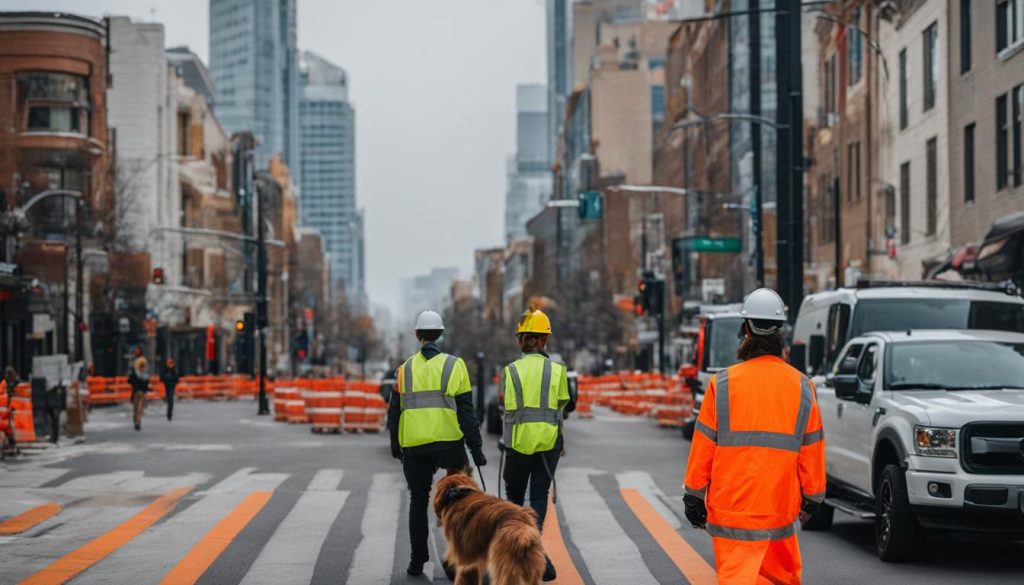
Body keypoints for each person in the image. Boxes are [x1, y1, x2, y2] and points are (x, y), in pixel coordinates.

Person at [683, 288, 826, 584]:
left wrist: (694, 494)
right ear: (780, 332)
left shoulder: (721, 384)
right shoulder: (802, 387)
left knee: (738, 577)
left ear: (745, 329)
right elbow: (811, 448)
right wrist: (812, 497)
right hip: (779, 509)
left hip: (732, 510)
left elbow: (704, 445)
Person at [388, 310, 486, 577]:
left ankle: (417, 560)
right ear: (441, 334)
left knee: (418, 500)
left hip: (415, 445)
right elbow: (467, 413)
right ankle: (458, 557)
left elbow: (394, 411)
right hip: (449, 444)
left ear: (417, 335)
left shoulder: (404, 369)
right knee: (462, 498)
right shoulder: (456, 366)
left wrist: (395, 443)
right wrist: (476, 449)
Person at [500, 307, 574, 582]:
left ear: (521, 340)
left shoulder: (510, 372)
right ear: (544, 340)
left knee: (515, 500)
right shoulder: (557, 371)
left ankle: (520, 552)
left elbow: (506, 405)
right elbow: (563, 404)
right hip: (549, 442)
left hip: (518, 442)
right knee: (539, 496)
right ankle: (534, 551)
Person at [128, 357, 150, 431]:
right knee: (135, 409)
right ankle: (136, 421)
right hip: (136, 393)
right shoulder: (134, 374)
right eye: (141, 366)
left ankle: (138, 422)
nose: (142, 368)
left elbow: (147, 385)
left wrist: (147, 390)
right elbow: (129, 381)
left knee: (139, 409)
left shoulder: (145, 375)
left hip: (141, 393)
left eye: (143, 366)